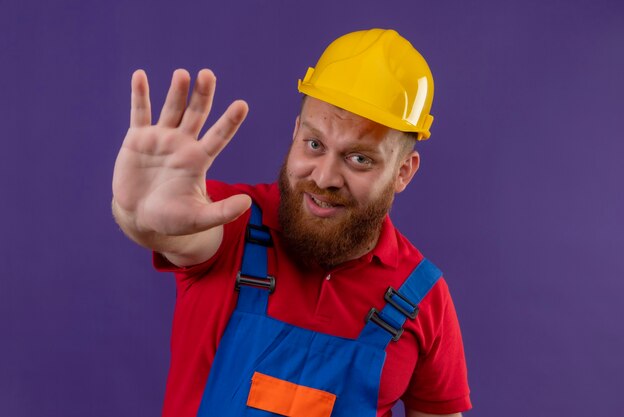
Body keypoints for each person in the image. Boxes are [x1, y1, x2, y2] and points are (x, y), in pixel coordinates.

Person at [112, 29, 471, 417]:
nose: (324, 177)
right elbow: (172, 230)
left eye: (359, 159)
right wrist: (136, 216)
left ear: (403, 172)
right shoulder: (229, 220)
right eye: (314, 145)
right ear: (295, 131)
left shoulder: (421, 298)